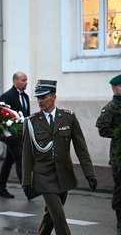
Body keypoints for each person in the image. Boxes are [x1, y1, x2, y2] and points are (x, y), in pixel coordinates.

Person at [22, 79, 97, 235]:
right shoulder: (31, 122)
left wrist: (89, 173)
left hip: (64, 175)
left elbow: (81, 148)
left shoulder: (68, 118)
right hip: (43, 176)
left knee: (51, 215)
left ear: (54, 97)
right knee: (58, 213)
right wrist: (26, 180)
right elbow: (27, 154)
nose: (40, 101)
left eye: (44, 97)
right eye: (38, 97)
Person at [0, 72, 37, 199]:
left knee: (8, 161)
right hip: (11, 137)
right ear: (15, 81)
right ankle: (28, 191)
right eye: (23, 80)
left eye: (26, 80)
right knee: (21, 160)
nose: (26, 82)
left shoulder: (26, 96)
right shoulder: (6, 97)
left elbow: (26, 116)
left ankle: (1, 188)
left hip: (21, 135)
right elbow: (0, 116)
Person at [96, 74, 121, 230]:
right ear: (115, 88)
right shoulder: (111, 108)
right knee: (120, 187)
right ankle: (120, 216)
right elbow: (103, 129)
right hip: (119, 155)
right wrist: (118, 133)